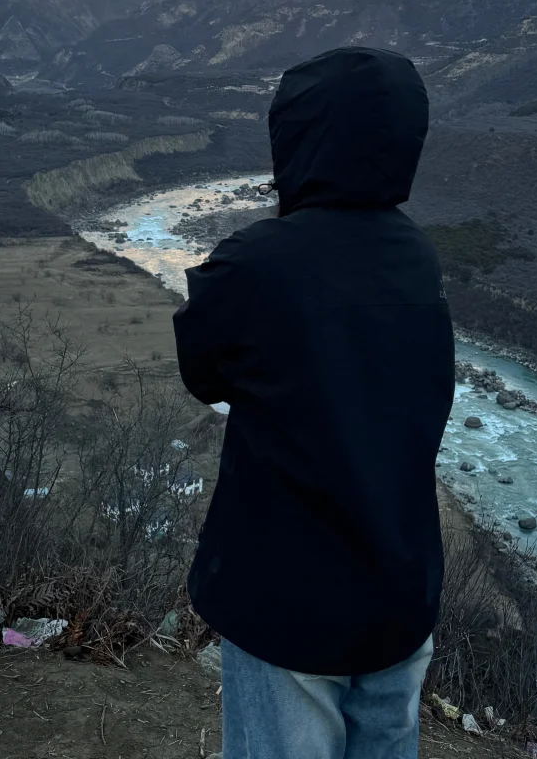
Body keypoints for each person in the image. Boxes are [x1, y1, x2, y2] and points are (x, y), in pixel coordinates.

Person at [172, 46, 455, 759]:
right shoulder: (417, 257)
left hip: (286, 601)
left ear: (303, 137)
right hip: (401, 593)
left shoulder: (258, 261)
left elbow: (202, 371)